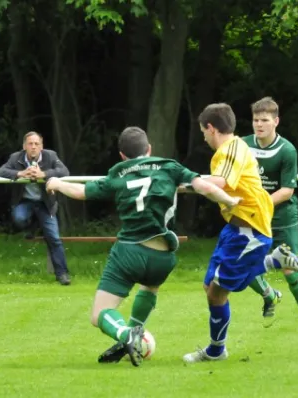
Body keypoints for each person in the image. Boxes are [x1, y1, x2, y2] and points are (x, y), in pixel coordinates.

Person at [45, 126, 244, 367]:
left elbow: (81, 192)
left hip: (130, 251)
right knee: (149, 287)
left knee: (99, 314)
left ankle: (126, 334)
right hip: (164, 257)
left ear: (122, 155)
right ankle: (134, 333)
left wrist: (56, 182)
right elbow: (204, 186)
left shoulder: (118, 173)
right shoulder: (169, 166)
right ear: (149, 149)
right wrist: (229, 200)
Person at [182, 103, 298, 364]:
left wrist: (184, 181)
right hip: (235, 228)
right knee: (211, 287)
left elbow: (220, 183)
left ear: (211, 128)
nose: (204, 137)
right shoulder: (239, 145)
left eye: (203, 132)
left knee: (220, 291)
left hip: (248, 229)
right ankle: (274, 261)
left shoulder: (228, 150)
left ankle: (217, 351)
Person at [242, 97, 298, 330]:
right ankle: (268, 295)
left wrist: (260, 204)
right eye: (255, 120)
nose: (259, 124)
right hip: (252, 216)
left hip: (281, 216)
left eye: (264, 120)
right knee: (243, 265)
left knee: (290, 269)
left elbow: (286, 190)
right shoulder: (242, 145)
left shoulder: (287, 150)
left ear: (276, 121)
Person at [0, 131, 71, 286]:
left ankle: (62, 274)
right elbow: (0, 172)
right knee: (19, 218)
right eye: (30, 144)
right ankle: (33, 225)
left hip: (46, 204)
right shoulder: (15, 158)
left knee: (54, 238)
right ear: (24, 146)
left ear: (41, 146)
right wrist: (20, 173)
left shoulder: (50, 156)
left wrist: (44, 174)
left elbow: (64, 171)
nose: (34, 147)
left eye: (37, 144)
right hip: (25, 202)